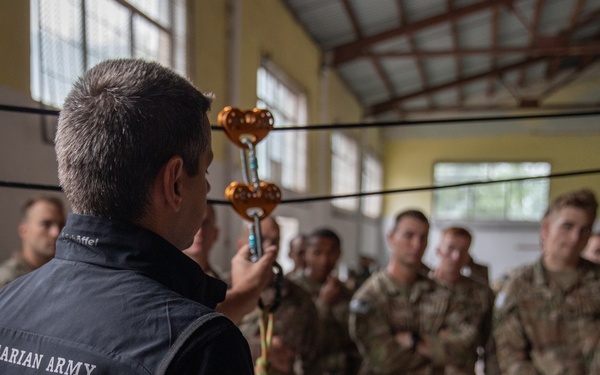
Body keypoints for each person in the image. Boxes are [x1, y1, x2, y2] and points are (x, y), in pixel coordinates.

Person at [0, 59, 277, 374]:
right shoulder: (206, 346)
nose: (208, 186)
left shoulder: (8, 302)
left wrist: (243, 294)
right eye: (205, 170)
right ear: (174, 182)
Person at [349, 210, 477, 375]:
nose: (417, 244)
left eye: (423, 238)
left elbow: (466, 347)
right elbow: (384, 361)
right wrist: (437, 347)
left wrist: (414, 340)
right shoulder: (370, 297)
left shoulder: (441, 292)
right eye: (409, 236)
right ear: (391, 238)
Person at [494, 188, 600, 374]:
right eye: (567, 226)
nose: (576, 237)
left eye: (585, 230)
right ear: (546, 228)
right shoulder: (519, 285)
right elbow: (510, 355)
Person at [238, 216, 319, 375]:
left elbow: (313, 358)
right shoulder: (222, 293)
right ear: (241, 244)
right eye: (261, 240)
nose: (269, 248)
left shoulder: (299, 298)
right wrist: (260, 349)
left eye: (275, 241)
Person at [289, 228, 361, 375]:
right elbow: (297, 338)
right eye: (317, 253)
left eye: (331, 253)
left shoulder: (347, 293)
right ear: (306, 254)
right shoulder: (291, 292)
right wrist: (323, 304)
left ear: (339, 254)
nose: (324, 260)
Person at [429, 227, 499, 375]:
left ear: (469, 256)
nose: (456, 256)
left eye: (463, 251)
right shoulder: (420, 289)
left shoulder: (481, 293)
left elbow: (491, 343)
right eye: (450, 248)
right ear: (438, 250)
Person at [0, 196, 65, 288]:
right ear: (23, 231)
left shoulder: (60, 275)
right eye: (46, 224)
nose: (56, 232)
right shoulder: (8, 280)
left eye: (61, 225)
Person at [183, 203, 223, 279]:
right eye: (193, 222)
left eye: (206, 223)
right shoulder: (163, 281)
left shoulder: (223, 284)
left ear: (215, 234)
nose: (199, 231)